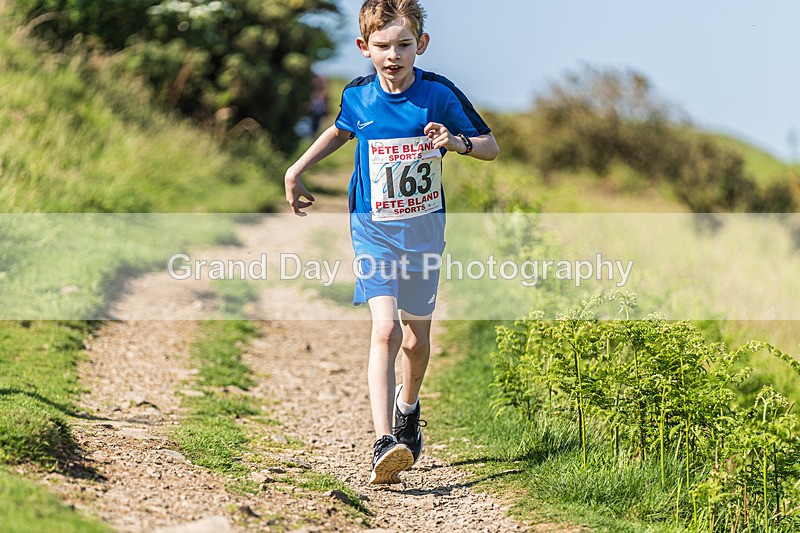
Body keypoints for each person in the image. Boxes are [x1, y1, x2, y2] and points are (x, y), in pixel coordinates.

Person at [284, 0, 498, 485]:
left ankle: (409, 408)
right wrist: (297, 169)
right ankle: (385, 441)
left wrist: (456, 142)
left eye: (404, 45)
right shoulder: (358, 96)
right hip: (372, 228)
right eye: (382, 46)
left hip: (423, 233)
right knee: (386, 331)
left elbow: (490, 146)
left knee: (417, 340)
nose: (393, 55)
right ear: (365, 48)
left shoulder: (439, 94)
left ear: (420, 45)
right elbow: (341, 130)